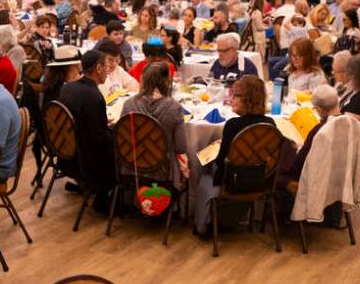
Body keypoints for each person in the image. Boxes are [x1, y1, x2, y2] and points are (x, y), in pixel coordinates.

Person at [193, 75, 277, 234]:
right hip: (258, 181)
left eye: (237, 95)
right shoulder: (269, 124)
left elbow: (220, 163)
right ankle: (235, 218)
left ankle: (203, 224)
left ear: (249, 99)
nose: (232, 99)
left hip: (232, 183)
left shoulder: (233, 125)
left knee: (203, 168)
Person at [59, 50, 115, 211]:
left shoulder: (68, 88)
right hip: (86, 159)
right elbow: (99, 139)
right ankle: (106, 197)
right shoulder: (93, 96)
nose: (108, 70)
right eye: (106, 66)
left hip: (66, 153)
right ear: (98, 68)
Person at [119, 62, 187, 189]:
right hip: (162, 170)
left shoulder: (128, 104)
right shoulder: (174, 107)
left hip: (132, 166)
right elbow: (180, 146)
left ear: (142, 80)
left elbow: (122, 138)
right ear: (167, 82)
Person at [280, 84, 340, 185]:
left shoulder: (320, 130)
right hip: (339, 176)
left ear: (318, 109)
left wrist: (295, 149)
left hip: (313, 178)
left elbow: (300, 162)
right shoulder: (351, 125)